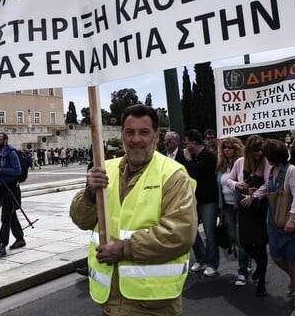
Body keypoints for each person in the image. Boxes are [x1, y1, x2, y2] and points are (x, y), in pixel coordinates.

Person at [69, 104, 197, 315]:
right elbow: (80, 220)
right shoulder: (105, 169)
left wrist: (124, 249)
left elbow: (180, 233)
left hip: (153, 304)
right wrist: (90, 193)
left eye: (144, 132)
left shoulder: (173, 175)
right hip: (110, 300)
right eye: (130, 132)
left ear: (157, 135)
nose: (136, 139)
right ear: (122, 135)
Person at [263, 139, 295, 310]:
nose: (265, 158)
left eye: (267, 155)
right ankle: (293, 278)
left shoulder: (291, 170)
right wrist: (254, 193)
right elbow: (267, 188)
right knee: (276, 256)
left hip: (289, 220)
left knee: (294, 259)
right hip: (274, 221)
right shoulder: (272, 170)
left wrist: (292, 219)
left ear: (274, 156)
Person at [227, 134, 270, 297]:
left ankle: (261, 283)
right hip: (243, 208)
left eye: (261, 150)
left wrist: (254, 196)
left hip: (258, 208)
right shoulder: (240, 163)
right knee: (243, 242)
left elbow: (268, 183)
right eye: (256, 150)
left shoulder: (265, 163)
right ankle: (259, 263)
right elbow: (229, 180)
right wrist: (238, 184)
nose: (259, 153)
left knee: (259, 244)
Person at [184, 129, 219, 277]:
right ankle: (201, 257)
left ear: (193, 142)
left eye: (187, 143)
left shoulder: (208, 156)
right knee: (191, 230)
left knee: (210, 233)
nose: (185, 146)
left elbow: (195, 172)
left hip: (208, 200)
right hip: (194, 199)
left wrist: (189, 160)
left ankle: (212, 263)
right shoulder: (194, 156)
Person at [217, 136, 251, 287]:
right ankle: (247, 259)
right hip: (227, 206)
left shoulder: (243, 164)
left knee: (241, 238)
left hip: (241, 205)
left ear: (237, 148)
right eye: (224, 147)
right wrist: (220, 208)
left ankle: (242, 271)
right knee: (235, 238)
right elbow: (219, 186)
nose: (227, 150)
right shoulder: (221, 166)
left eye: (230, 147)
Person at [0, 132, 26, 258]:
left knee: (6, 217)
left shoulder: (11, 153)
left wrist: (1, 170)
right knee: (11, 214)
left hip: (11, 188)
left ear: (6, 140)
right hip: (1, 189)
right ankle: (20, 238)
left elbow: (17, 170)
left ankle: (2, 245)